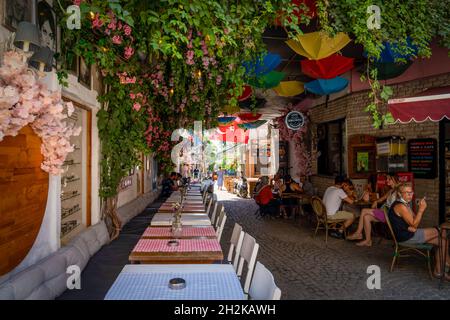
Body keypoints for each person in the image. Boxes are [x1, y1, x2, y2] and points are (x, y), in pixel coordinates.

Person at [388, 182, 450, 279]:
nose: (410, 195)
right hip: (406, 237)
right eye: (407, 193)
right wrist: (421, 210)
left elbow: (412, 221)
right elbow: (415, 223)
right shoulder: (401, 206)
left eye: (411, 192)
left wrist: (411, 224)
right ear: (400, 194)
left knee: (442, 241)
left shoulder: (405, 204)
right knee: (443, 231)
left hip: (409, 233)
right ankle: (446, 262)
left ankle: (439, 271)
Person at [347, 174, 399, 246]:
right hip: (384, 213)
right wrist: (376, 201)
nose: (387, 180)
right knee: (366, 217)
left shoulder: (399, 190)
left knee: (364, 210)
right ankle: (368, 241)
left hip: (389, 214)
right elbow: (382, 199)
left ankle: (358, 233)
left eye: (389, 179)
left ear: (394, 180)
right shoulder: (391, 191)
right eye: (387, 179)